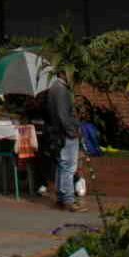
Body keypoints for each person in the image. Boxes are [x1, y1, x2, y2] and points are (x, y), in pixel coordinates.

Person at [41, 70, 82, 210]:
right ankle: (68, 199)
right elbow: (63, 116)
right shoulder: (61, 90)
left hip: (58, 134)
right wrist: (73, 132)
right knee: (68, 167)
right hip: (65, 134)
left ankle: (61, 197)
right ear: (64, 74)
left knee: (62, 165)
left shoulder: (54, 88)